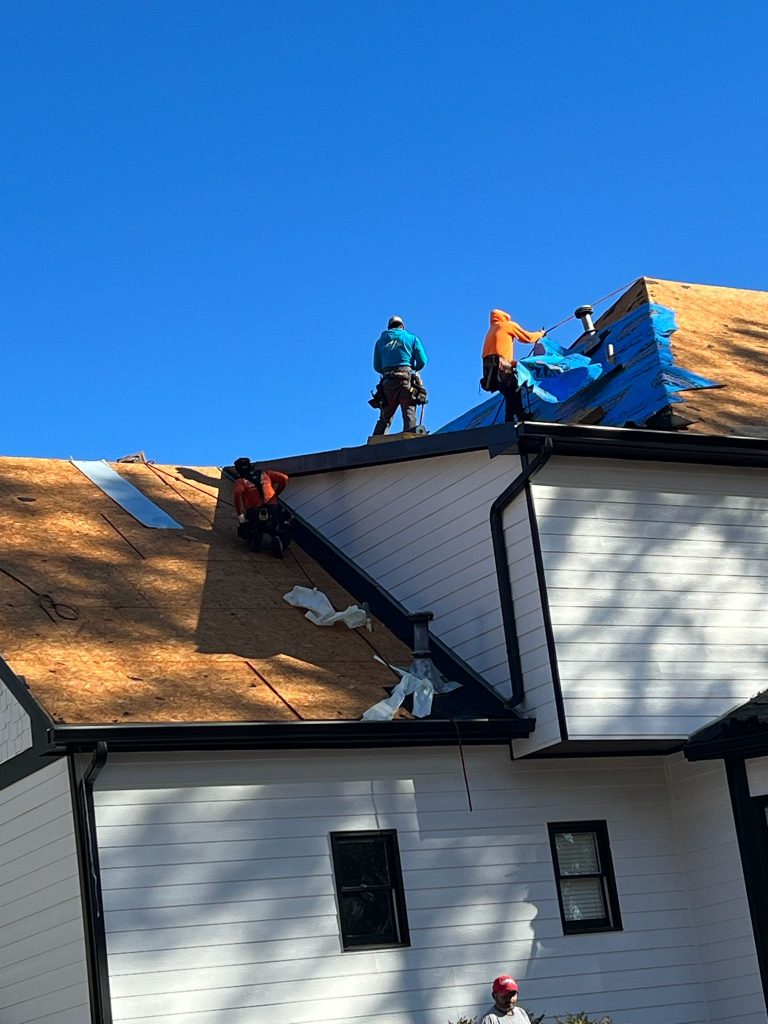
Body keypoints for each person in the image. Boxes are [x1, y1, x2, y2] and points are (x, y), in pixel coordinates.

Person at [481, 309, 545, 423]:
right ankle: (518, 416)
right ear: (505, 317)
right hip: (501, 367)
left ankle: (510, 421)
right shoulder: (506, 325)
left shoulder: (491, 331)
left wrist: (513, 363)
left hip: (490, 373)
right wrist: (540, 334)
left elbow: (496, 354)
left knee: (509, 393)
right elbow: (528, 338)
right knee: (514, 389)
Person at [371, 315, 428, 436]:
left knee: (385, 417)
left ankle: (374, 445)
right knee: (409, 413)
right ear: (402, 326)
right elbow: (423, 361)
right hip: (405, 381)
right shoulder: (412, 339)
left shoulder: (380, 342)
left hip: (388, 382)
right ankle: (410, 440)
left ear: (389, 327)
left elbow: (376, 366)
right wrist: (414, 370)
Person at [232, 457, 291, 557]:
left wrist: (240, 515)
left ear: (238, 470)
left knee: (252, 526)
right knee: (278, 525)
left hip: (253, 510)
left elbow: (237, 493)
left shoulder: (241, 481)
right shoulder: (265, 474)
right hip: (272, 507)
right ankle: (277, 538)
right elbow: (284, 478)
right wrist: (275, 494)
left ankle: (256, 539)